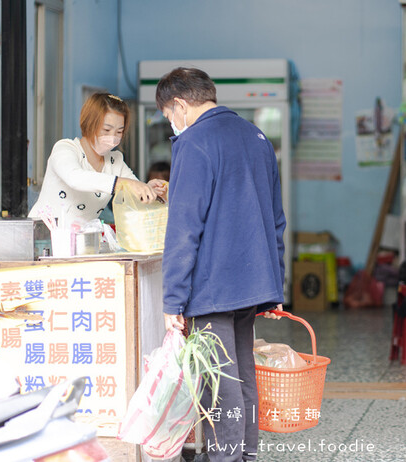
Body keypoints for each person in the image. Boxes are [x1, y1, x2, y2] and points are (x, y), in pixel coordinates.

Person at [157, 68, 285, 462]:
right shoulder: (256, 136)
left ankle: (227, 459)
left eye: (168, 116)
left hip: (213, 288)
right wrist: (274, 284)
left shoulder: (194, 142)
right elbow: (275, 217)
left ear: (180, 104)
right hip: (252, 282)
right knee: (243, 374)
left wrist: (172, 300)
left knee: (220, 381)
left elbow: (183, 227)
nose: (172, 125)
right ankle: (246, 454)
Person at [29, 93, 166, 226]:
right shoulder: (65, 149)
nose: (113, 138)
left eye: (119, 132)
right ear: (89, 124)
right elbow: (75, 178)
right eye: (106, 130)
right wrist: (124, 183)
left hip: (79, 240)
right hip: (42, 236)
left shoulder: (114, 161)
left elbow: (133, 192)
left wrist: (148, 190)